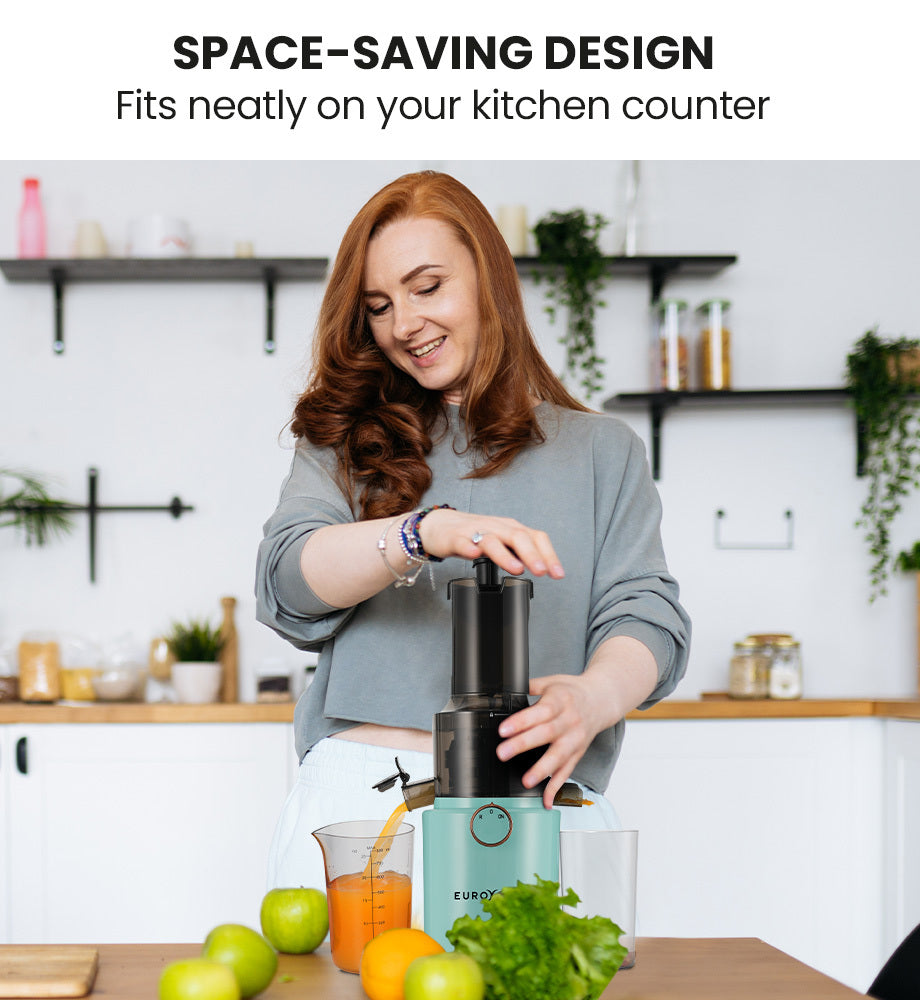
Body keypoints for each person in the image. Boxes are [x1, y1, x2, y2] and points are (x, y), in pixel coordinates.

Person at [255, 170, 690, 920]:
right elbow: (288, 582)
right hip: (370, 812)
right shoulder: (344, 441)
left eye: (428, 287)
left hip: (541, 801)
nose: (404, 324)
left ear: (489, 278)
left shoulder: (601, 450)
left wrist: (592, 698)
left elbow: (646, 618)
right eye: (381, 306)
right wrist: (420, 533)